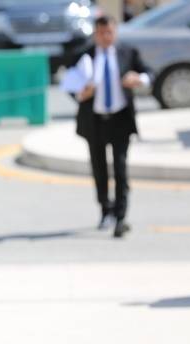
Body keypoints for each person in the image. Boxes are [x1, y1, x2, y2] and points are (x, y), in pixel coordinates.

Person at [72, 15, 153, 238]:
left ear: (115, 32)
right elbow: (71, 83)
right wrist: (81, 93)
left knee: (120, 169)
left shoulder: (128, 52)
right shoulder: (85, 55)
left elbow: (149, 73)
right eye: (101, 33)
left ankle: (121, 216)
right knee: (99, 169)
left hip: (120, 119)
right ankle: (105, 209)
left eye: (109, 32)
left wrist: (140, 79)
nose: (106, 37)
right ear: (95, 34)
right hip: (95, 121)